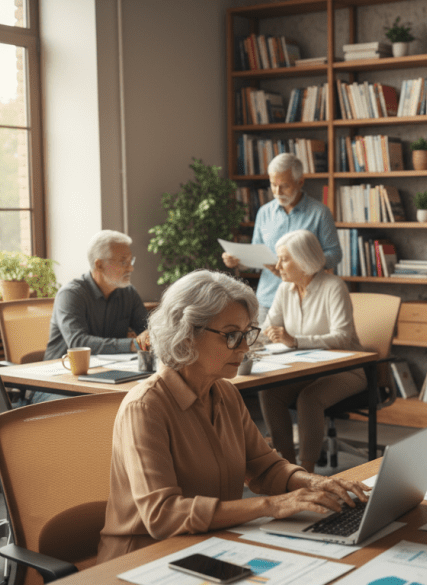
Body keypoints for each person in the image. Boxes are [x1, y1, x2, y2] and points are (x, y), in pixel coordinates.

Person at [97, 270, 368, 562]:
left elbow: (264, 469)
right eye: (231, 336)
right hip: (142, 559)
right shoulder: (145, 408)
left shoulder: (225, 394)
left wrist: (312, 482)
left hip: (210, 545)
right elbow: (162, 516)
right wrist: (270, 506)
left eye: (246, 334)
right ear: (186, 336)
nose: (245, 347)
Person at [258, 230, 366, 472]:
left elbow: (342, 337)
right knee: (269, 393)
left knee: (309, 398)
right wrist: (261, 336)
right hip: (305, 369)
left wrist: (294, 341)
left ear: (304, 260)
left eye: (284, 259)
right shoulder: (285, 289)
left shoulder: (333, 287)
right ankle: (287, 468)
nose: (277, 266)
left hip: (347, 370)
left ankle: (306, 473)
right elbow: (268, 327)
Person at [32, 230, 150, 404]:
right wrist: (134, 344)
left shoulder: (128, 293)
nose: (130, 268)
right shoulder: (71, 295)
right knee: (94, 412)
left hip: (107, 380)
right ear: (99, 265)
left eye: (130, 260)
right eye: (123, 261)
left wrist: (151, 336)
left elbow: (148, 329)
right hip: (58, 385)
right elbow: (79, 343)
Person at [222, 153, 341, 322]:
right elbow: (257, 252)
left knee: (303, 346)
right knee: (261, 345)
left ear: (300, 181)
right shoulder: (264, 212)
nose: (277, 192)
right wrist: (239, 261)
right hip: (268, 299)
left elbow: (335, 254)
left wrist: (301, 264)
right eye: (273, 185)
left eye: (284, 186)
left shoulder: (319, 213)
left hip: (306, 298)